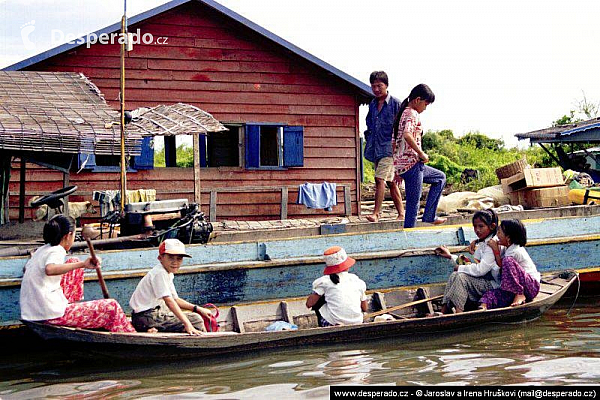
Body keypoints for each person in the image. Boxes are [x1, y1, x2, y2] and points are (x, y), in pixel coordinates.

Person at [20, 215, 135, 333]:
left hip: (33, 311)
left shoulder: (43, 249)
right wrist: (83, 264)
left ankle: (73, 308)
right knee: (112, 306)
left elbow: (28, 270)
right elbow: (49, 269)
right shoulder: (57, 250)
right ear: (68, 235)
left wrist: (80, 264)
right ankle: (131, 334)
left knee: (73, 261)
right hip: (49, 314)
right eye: (74, 235)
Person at [129, 238, 213, 335]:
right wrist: (187, 324)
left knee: (192, 316)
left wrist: (198, 309)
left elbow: (175, 300)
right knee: (196, 320)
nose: (175, 262)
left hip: (151, 315)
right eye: (171, 257)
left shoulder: (167, 273)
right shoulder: (159, 273)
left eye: (179, 258)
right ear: (160, 258)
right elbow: (169, 301)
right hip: (145, 317)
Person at [393, 83, 446, 228]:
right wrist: (421, 153)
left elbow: (394, 142)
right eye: (426, 104)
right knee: (413, 204)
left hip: (404, 165)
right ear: (417, 100)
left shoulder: (402, 113)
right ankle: (409, 236)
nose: (425, 108)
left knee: (439, 177)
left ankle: (429, 215)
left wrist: (396, 168)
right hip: (412, 164)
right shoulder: (412, 113)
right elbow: (407, 135)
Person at [435, 209, 502, 314]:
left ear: (492, 226)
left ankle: (459, 313)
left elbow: (480, 270)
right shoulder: (482, 243)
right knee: (454, 275)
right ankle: (443, 311)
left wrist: (460, 268)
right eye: (475, 227)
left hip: (494, 285)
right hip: (484, 280)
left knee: (461, 277)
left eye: (481, 226)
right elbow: (471, 264)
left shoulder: (491, 244)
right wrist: (450, 256)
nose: (477, 230)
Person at [364, 71, 405, 223]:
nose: (376, 89)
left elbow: (403, 128)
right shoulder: (373, 104)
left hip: (390, 149)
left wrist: (400, 152)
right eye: (373, 86)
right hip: (376, 148)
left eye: (379, 86)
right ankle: (401, 213)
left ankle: (376, 213)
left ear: (386, 85)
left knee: (379, 178)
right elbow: (369, 125)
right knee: (390, 182)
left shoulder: (396, 104)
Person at [479, 219, 540, 309]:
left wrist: (495, 249)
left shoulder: (515, 250)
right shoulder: (507, 248)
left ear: (508, 238)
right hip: (513, 289)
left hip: (530, 287)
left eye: (499, 233)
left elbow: (502, 264)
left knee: (507, 261)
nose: (497, 236)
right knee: (490, 294)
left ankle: (520, 294)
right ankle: (483, 307)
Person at [306, 246, 368, 326]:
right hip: (357, 322)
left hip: (333, 323)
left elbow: (309, 304)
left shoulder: (324, 281)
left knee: (320, 299)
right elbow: (365, 308)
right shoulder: (356, 280)